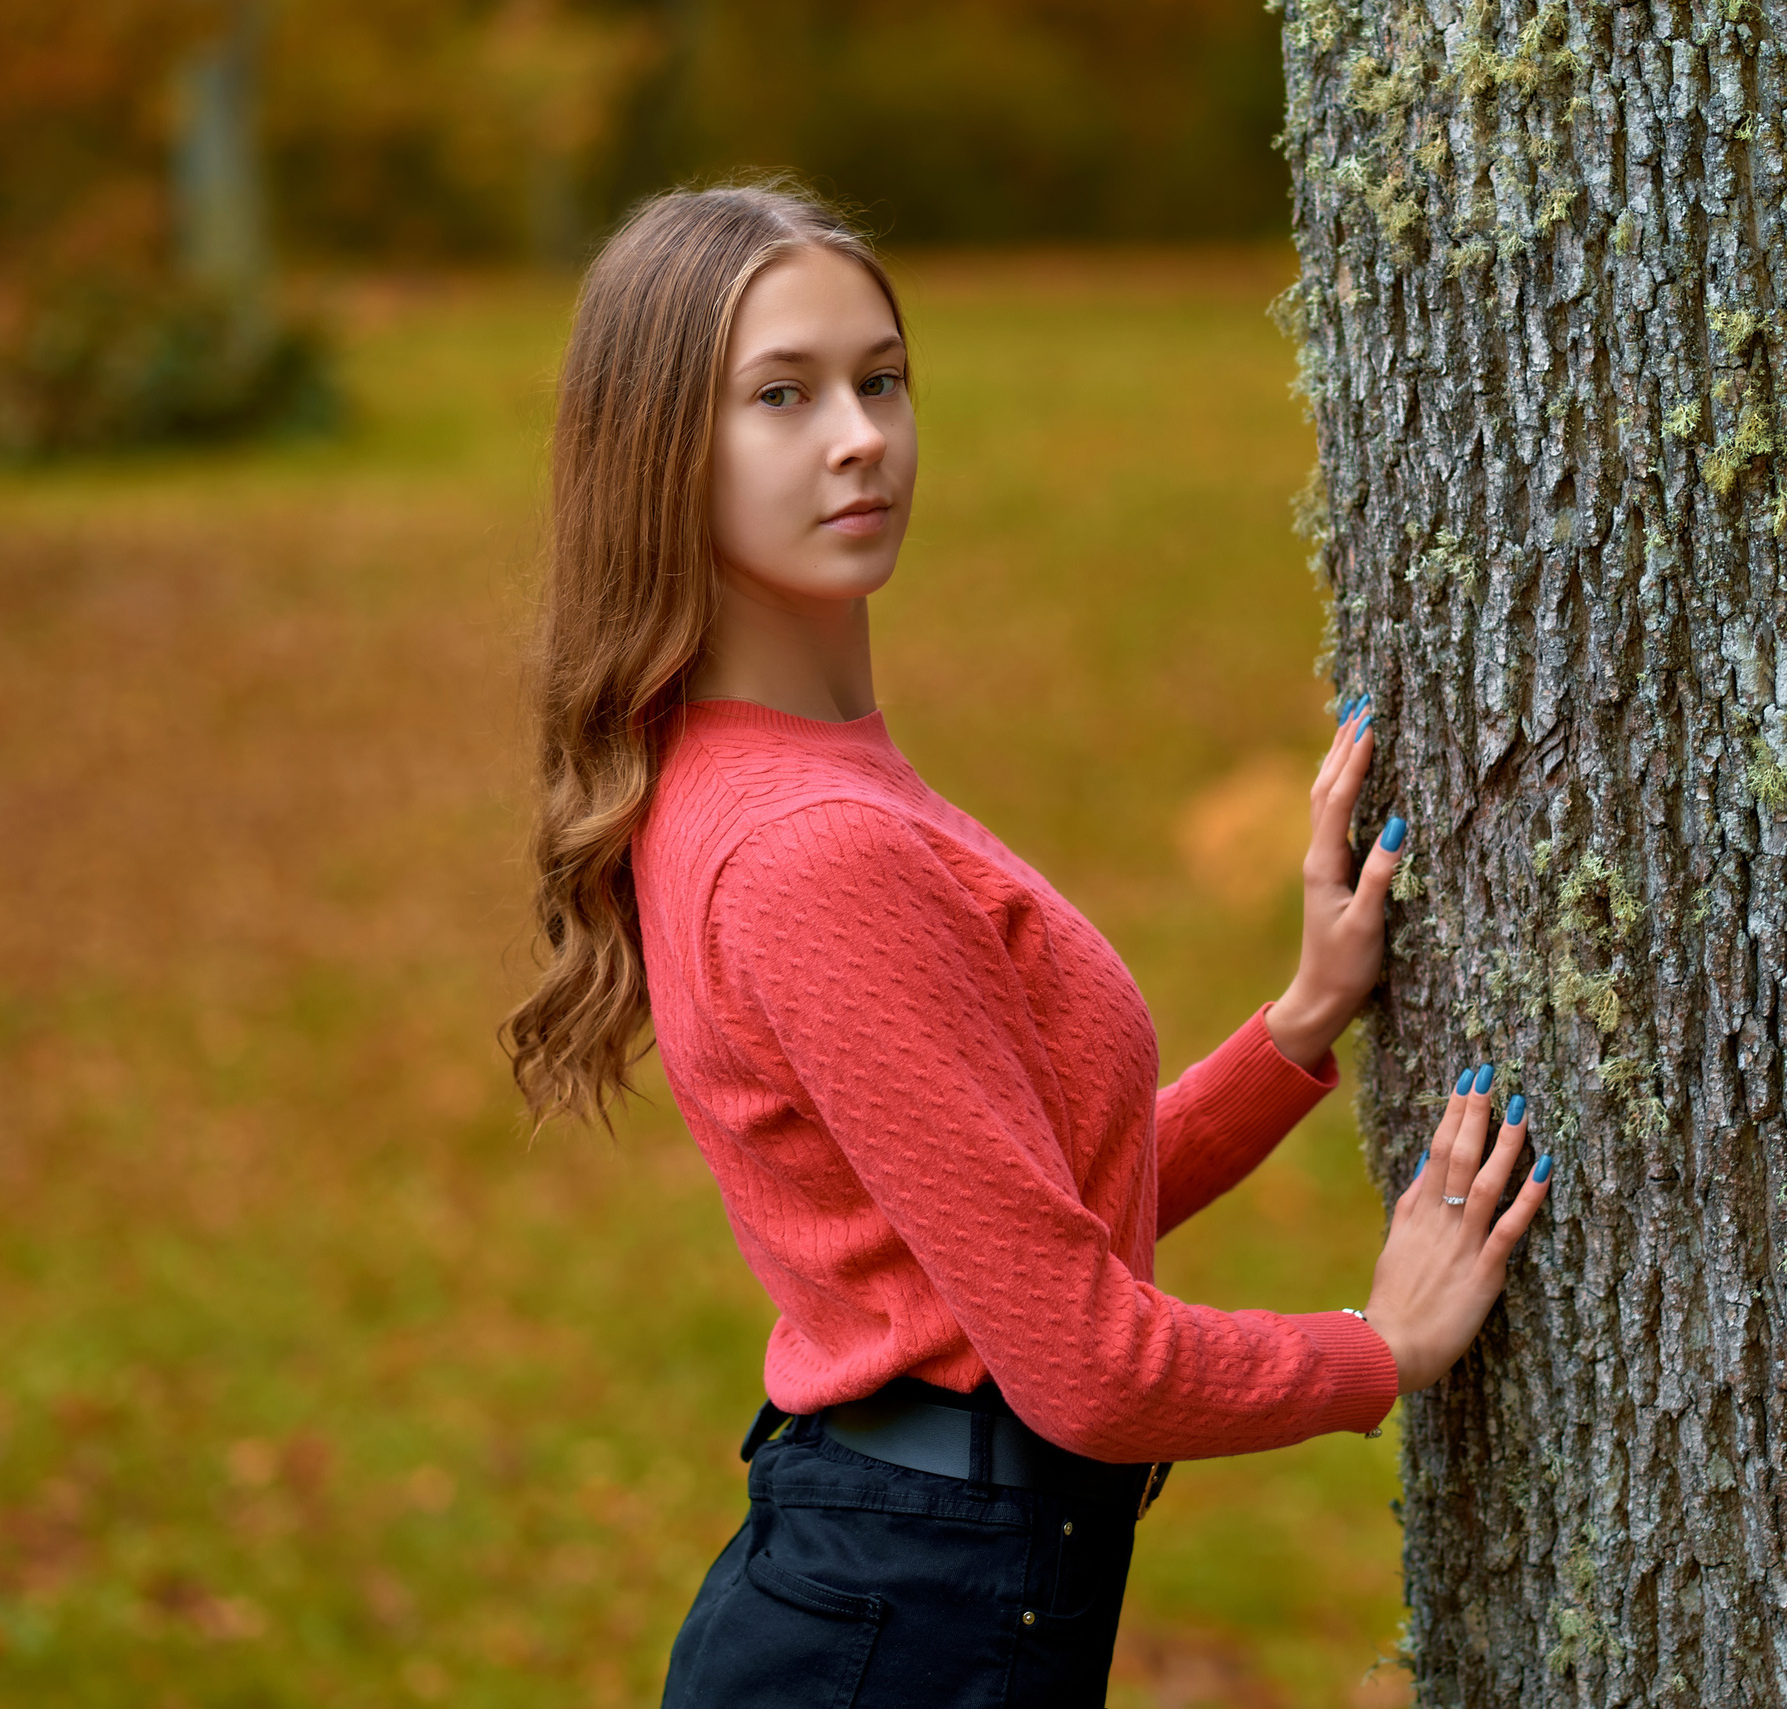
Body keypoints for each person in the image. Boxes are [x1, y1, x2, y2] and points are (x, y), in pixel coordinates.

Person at [501, 183, 1552, 1709]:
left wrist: (1301, 1027)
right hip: (902, 1642)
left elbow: (1020, 1215)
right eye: (782, 396)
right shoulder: (814, 846)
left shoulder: (766, 770)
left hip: (911, 1594)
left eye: (882, 377)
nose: (860, 434)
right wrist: (1370, 1350)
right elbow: (1082, 1357)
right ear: (664, 454)